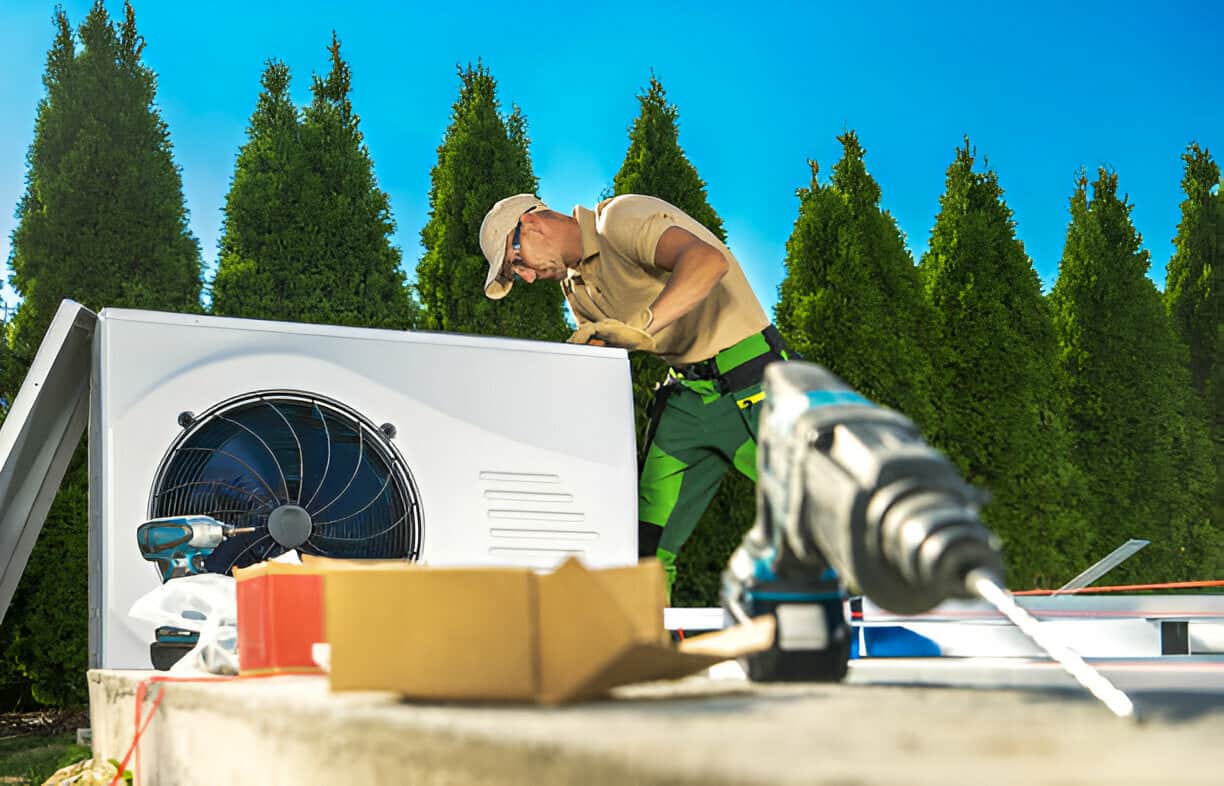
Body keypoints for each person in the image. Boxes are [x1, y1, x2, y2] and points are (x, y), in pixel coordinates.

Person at [479, 192, 796, 594]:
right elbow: (606, 356)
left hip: (753, 379)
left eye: (517, 262)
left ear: (531, 223)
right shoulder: (576, 291)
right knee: (646, 552)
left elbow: (707, 262)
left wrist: (639, 327)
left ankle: (864, 619)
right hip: (689, 398)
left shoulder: (619, 219)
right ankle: (648, 633)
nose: (526, 277)